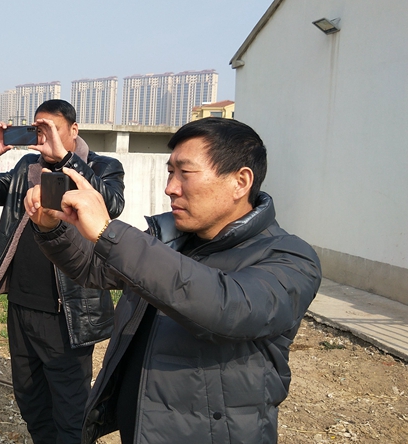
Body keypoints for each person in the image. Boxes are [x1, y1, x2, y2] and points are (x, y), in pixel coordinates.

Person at [24, 117, 322, 443]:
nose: (170, 187)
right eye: (170, 172)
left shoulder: (290, 257)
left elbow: (228, 308)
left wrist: (110, 233)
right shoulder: (168, 238)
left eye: (185, 173)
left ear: (240, 182)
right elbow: (94, 268)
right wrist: (51, 227)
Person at [0, 99, 125, 443]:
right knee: (31, 400)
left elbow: (111, 204)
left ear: (74, 130)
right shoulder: (28, 166)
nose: (43, 137)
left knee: (70, 410)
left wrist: (67, 161)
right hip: (22, 305)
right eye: (37, 129)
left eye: (51, 129)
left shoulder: (102, 166)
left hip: (67, 313)